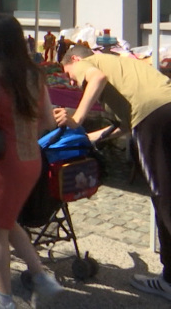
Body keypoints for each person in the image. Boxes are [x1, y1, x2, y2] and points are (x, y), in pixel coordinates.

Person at [57, 45, 171, 303]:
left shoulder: (92, 62)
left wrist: (76, 119)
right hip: (165, 108)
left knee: (163, 197)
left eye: (68, 73)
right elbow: (124, 125)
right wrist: (85, 139)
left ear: (75, 59)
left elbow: (96, 78)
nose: (73, 82)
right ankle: (169, 278)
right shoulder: (120, 66)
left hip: (153, 117)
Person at [0, 15, 64, 309]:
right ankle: (41, 276)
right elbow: (49, 122)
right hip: (31, 158)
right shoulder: (36, 74)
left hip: (4, 162)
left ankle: (4, 300)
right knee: (7, 220)